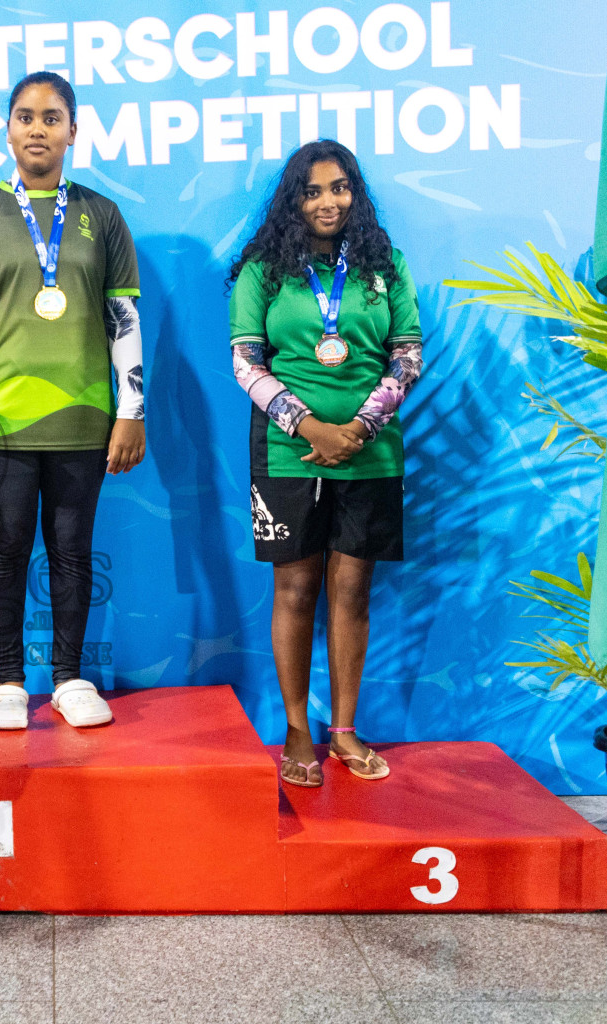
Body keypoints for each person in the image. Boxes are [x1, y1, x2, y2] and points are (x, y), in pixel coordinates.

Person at [0, 71, 146, 731]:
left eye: (51, 117)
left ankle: (68, 677)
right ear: (7, 128)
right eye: (25, 116)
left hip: (84, 420)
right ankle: (5, 680)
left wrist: (131, 410)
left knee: (72, 552)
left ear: (72, 132)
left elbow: (124, 319)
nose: (38, 128)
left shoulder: (102, 215)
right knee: (1, 554)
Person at [227, 139, 423, 787]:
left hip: (369, 455)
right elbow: (246, 364)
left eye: (339, 187)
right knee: (295, 590)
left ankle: (343, 729)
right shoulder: (262, 269)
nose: (327, 201)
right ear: (293, 200)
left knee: (351, 592)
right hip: (287, 453)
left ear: (355, 192)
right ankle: (295, 726)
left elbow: (406, 357)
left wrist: (361, 427)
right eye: (312, 191)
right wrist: (309, 425)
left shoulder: (384, 265)